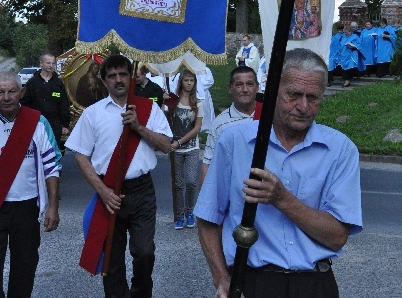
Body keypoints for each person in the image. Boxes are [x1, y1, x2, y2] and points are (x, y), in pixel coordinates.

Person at [195, 48, 362, 298]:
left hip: (314, 284)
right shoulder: (235, 141)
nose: (303, 106)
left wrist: (282, 199)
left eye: (313, 97)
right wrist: (221, 278)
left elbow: (337, 237)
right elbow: (208, 217)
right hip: (252, 282)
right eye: (293, 95)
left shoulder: (340, 149)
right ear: (273, 89)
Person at [65, 54, 172, 297]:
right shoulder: (93, 114)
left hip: (142, 190)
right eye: (112, 76)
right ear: (104, 81)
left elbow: (167, 145)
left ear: (131, 77)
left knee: (144, 253)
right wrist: (102, 191)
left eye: (123, 74)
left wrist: (139, 127)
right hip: (109, 191)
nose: (118, 80)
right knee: (112, 260)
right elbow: (80, 156)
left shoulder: (148, 109)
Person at [0, 71, 61, 297]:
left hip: (26, 207)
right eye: (1, 92)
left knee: (24, 270)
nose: (6, 97)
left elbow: (51, 166)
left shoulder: (38, 123)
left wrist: (53, 206)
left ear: (22, 92)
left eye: (12, 91)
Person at [200, 66, 259, 188]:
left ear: (257, 87)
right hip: (234, 192)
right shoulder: (220, 123)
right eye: (239, 85)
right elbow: (208, 164)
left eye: (250, 84)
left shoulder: (271, 117)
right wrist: (205, 203)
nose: (245, 89)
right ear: (230, 88)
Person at [168, 69, 203, 230]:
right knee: (178, 184)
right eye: (186, 80)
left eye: (192, 80)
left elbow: (197, 128)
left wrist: (180, 142)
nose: (189, 83)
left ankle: (189, 212)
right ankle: (179, 215)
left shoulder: (198, 103)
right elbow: (165, 118)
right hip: (174, 148)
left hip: (191, 147)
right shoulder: (173, 101)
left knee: (190, 182)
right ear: (181, 82)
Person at [21, 52, 70, 149]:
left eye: (53, 63)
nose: (51, 66)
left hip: (54, 125)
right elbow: (24, 104)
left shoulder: (58, 83)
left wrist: (65, 125)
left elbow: (64, 105)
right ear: (41, 64)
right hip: (36, 123)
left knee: (53, 151)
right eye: (48, 63)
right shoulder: (32, 83)